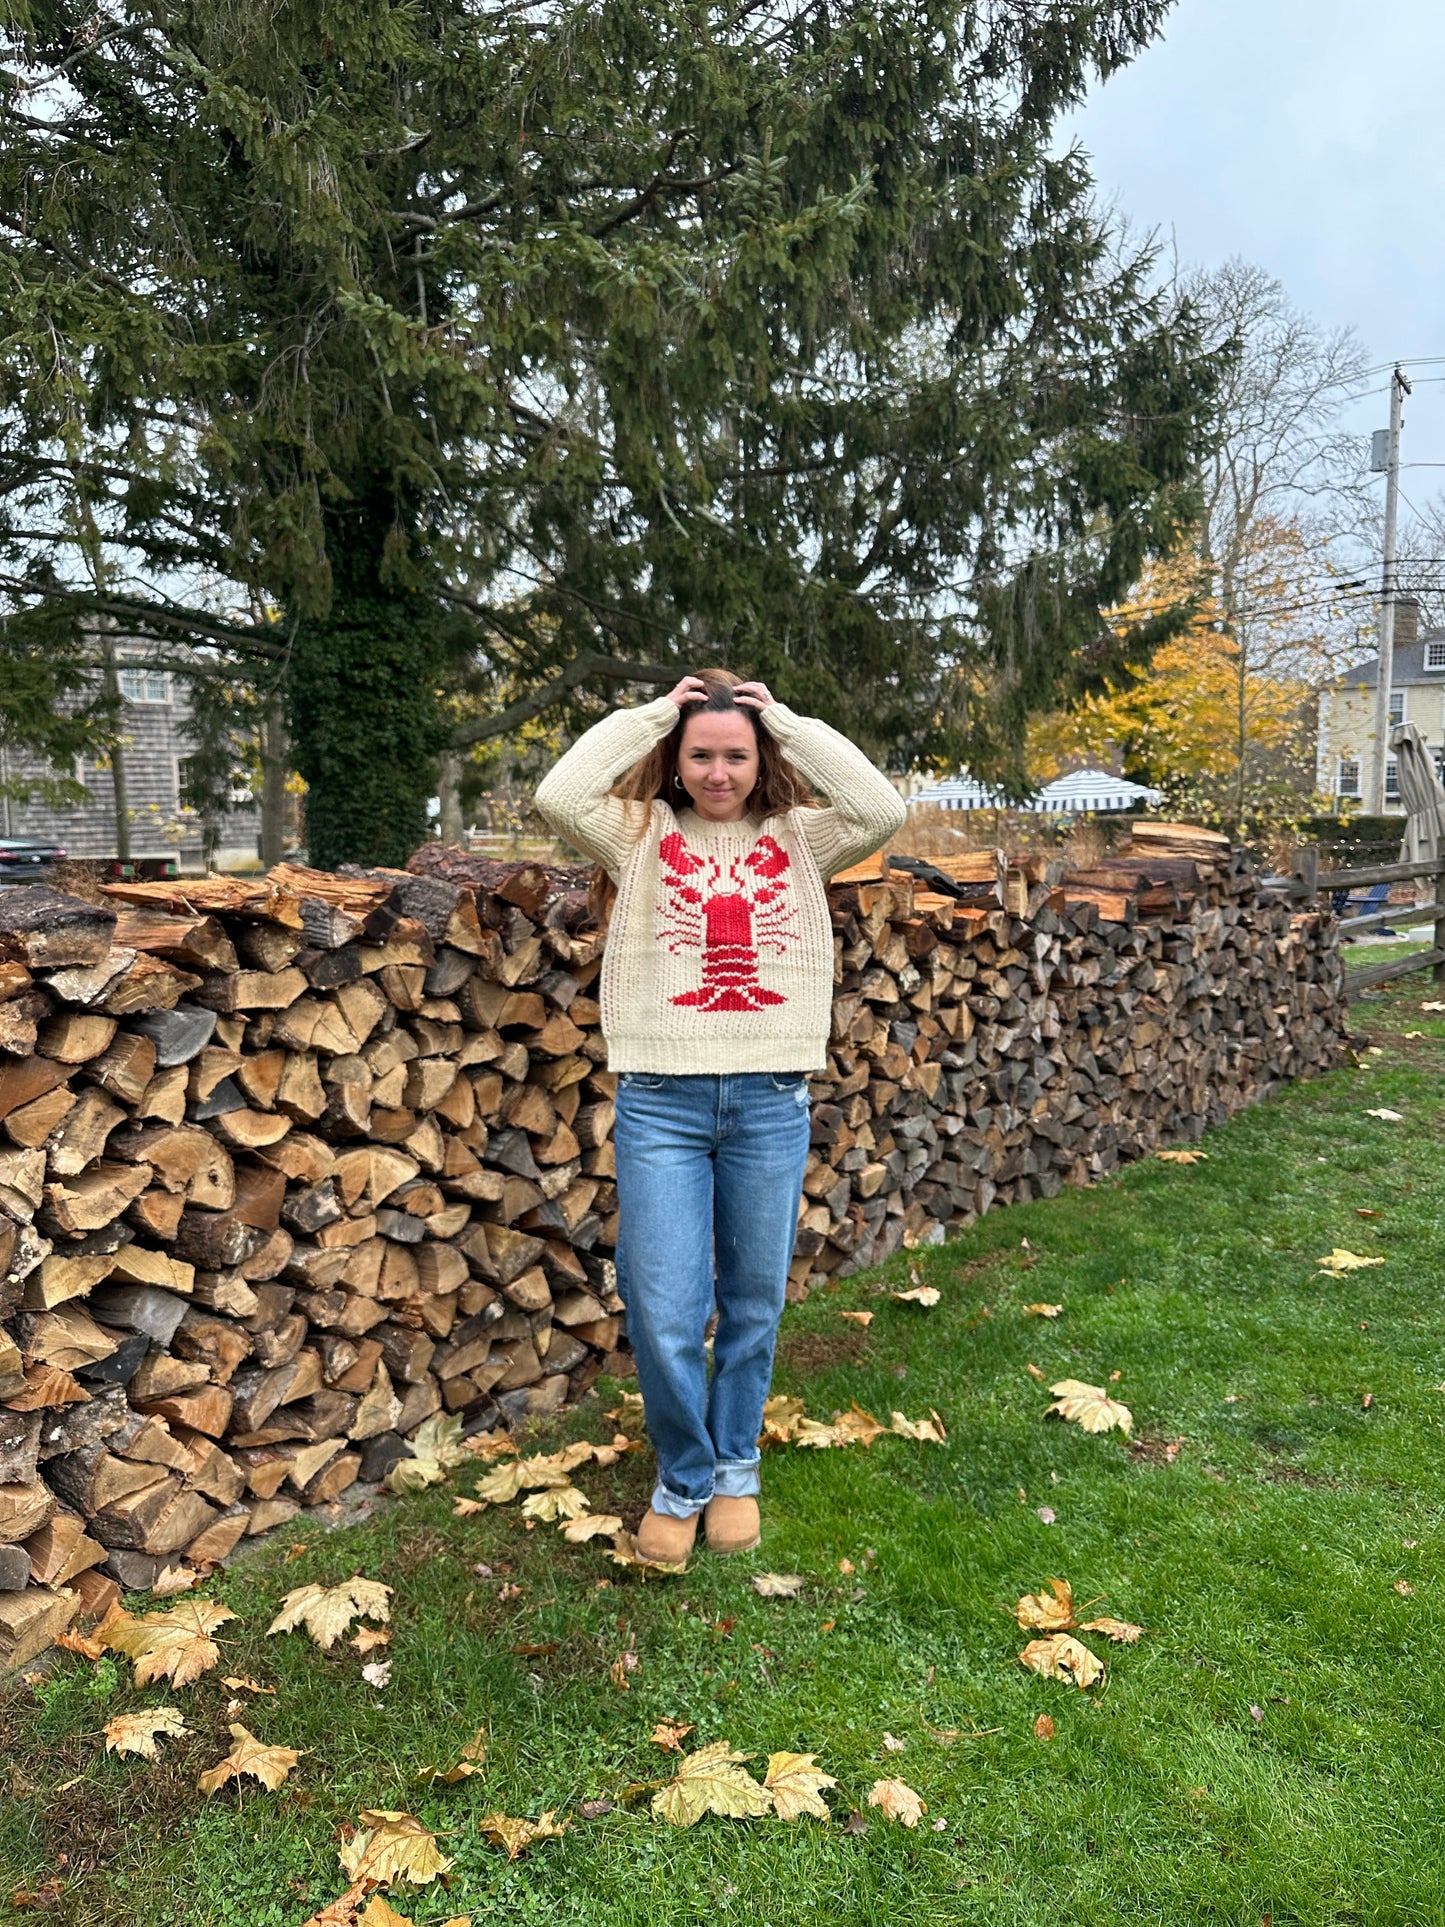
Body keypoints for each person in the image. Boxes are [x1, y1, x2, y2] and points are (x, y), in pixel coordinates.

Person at [535, 670, 906, 1560]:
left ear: (759, 759)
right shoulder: (640, 836)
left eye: (735, 754)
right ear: (675, 756)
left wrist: (781, 714)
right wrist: (657, 711)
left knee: (750, 1301)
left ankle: (735, 1464)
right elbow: (559, 792)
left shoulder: (800, 839)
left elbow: (881, 806)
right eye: (699, 753)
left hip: (769, 1098)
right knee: (664, 1306)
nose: (716, 770)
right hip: (661, 1100)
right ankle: (684, 1476)